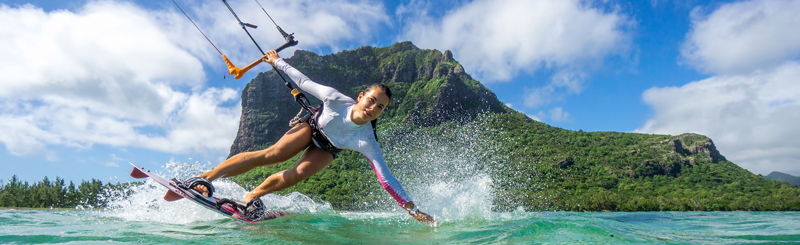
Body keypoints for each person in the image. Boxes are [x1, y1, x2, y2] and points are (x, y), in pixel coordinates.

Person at [178, 50, 435, 223]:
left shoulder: (367, 140)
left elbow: (387, 180)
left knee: (296, 175)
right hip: (311, 126)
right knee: (272, 155)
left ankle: (252, 197)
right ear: (360, 97)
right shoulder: (335, 99)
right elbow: (303, 81)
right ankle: (203, 178)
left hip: (328, 147)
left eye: (380, 107)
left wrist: (412, 209)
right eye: (371, 101)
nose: (373, 109)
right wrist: (276, 61)